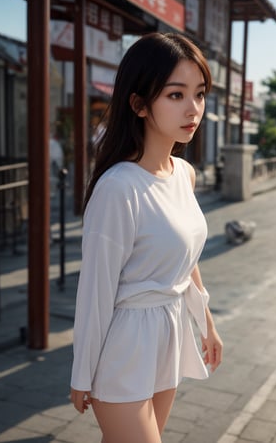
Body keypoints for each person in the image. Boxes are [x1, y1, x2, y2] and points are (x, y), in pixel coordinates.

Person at [70, 32, 223, 443]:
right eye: (176, 95)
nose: (193, 109)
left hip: (169, 334)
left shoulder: (183, 174)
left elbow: (185, 256)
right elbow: (95, 290)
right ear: (139, 104)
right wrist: (81, 373)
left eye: (199, 94)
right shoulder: (119, 187)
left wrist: (205, 323)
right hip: (125, 345)